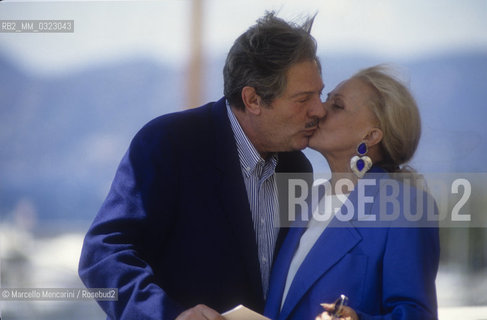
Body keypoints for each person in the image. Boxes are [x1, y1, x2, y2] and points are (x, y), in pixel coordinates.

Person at [78, 12, 326, 320]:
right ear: (253, 100)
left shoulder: (297, 167)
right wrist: (168, 315)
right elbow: (102, 254)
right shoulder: (168, 143)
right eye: (304, 99)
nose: (319, 109)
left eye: (320, 93)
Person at [264, 65, 440, 320]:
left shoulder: (405, 207)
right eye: (327, 99)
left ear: (371, 135)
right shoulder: (307, 201)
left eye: (338, 105)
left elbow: (417, 314)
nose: (320, 110)